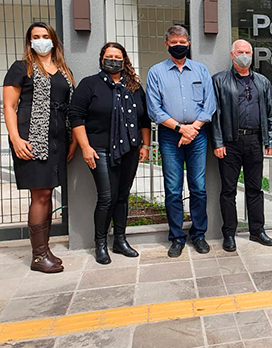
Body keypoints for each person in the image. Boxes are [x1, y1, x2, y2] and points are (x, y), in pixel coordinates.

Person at [2, 22, 76, 273]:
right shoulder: (21, 68)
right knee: (41, 195)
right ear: (29, 41)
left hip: (57, 140)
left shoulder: (63, 70)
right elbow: (9, 106)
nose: (41, 40)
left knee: (46, 193)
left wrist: (72, 140)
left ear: (53, 40)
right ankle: (38, 256)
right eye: (36, 37)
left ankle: (44, 250)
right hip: (32, 140)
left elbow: (68, 105)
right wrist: (15, 138)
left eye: (45, 36)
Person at [69, 43, 152, 264]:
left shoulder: (134, 87)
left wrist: (145, 145)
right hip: (99, 149)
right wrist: (85, 147)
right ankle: (100, 243)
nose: (113, 60)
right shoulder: (90, 85)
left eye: (117, 57)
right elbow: (76, 117)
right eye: (109, 56)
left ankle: (120, 241)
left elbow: (144, 119)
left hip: (130, 150)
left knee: (123, 196)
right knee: (107, 197)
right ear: (101, 58)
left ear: (124, 60)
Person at [146, 26, 216, 258]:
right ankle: (176, 238)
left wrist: (193, 129)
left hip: (197, 136)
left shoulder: (200, 70)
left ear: (188, 43)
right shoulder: (156, 72)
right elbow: (154, 109)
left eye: (183, 41)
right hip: (169, 136)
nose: (179, 45)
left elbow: (210, 104)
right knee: (173, 189)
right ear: (166, 44)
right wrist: (180, 128)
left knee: (198, 188)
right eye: (174, 41)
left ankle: (198, 235)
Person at [210, 40, 272, 252]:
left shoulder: (263, 82)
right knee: (228, 190)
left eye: (248, 52)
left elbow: (270, 113)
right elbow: (215, 115)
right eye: (240, 52)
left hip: (255, 141)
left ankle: (257, 231)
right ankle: (229, 233)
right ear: (232, 54)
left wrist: (270, 140)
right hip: (230, 143)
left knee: (255, 189)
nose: (244, 55)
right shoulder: (219, 81)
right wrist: (218, 142)